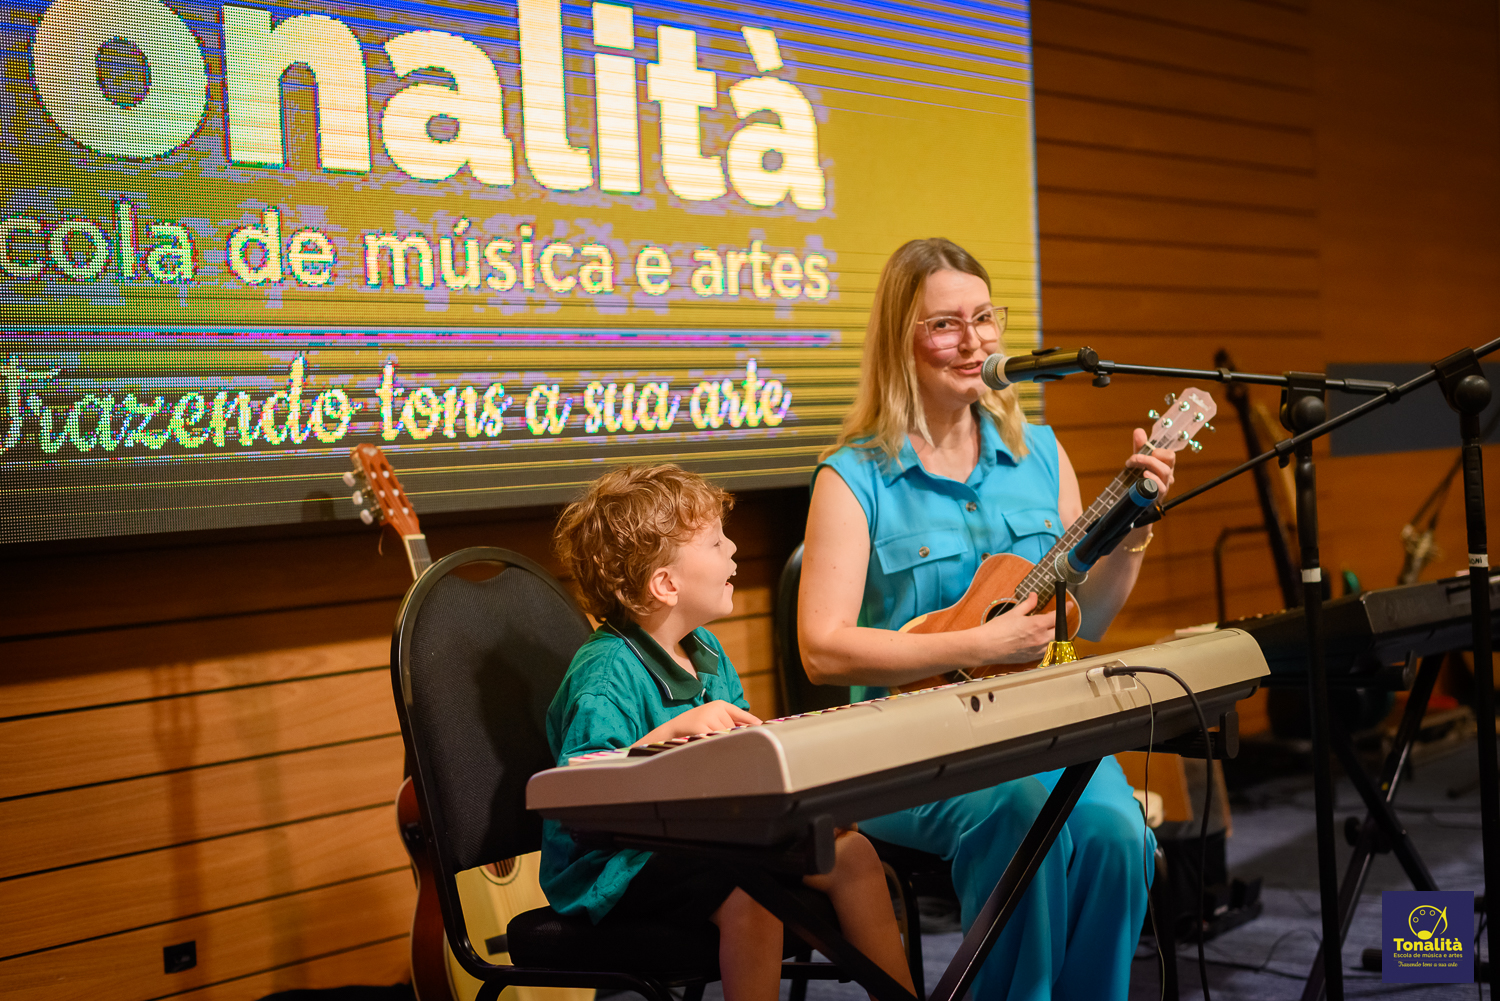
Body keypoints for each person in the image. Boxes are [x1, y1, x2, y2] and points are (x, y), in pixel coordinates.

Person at [798, 238, 1177, 1001]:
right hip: (906, 750)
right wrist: (980, 640)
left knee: (1119, 835)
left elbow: (1090, 617)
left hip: (1039, 730)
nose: (973, 342)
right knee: (1018, 814)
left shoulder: (1040, 453)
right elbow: (822, 649)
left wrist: (1131, 534)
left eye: (983, 318)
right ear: (901, 339)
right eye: (945, 324)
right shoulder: (853, 476)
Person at [540, 464, 916, 1001]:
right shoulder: (603, 676)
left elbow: (744, 766)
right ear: (665, 584)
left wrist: (799, 811)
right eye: (717, 543)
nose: (734, 549)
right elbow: (581, 796)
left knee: (851, 854)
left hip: (707, 841)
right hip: (615, 867)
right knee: (752, 893)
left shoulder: (707, 650)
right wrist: (667, 739)